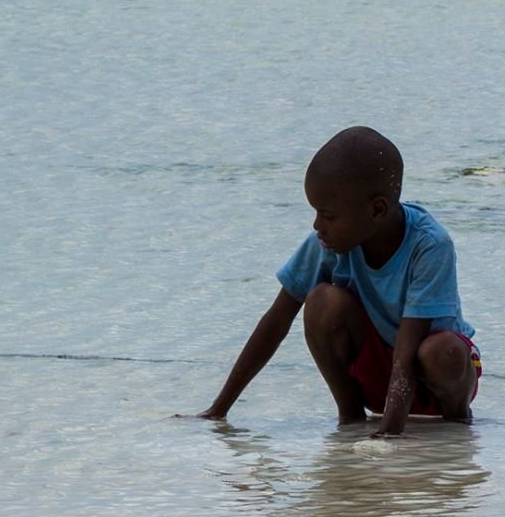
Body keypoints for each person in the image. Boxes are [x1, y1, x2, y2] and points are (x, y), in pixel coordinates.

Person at [200, 127, 480, 435]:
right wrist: (219, 409)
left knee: (441, 352)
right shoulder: (326, 245)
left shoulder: (429, 245)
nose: (317, 225)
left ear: (376, 210)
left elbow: (408, 346)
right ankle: (350, 418)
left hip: (434, 380)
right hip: (381, 377)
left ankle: (457, 425)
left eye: (328, 216)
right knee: (321, 301)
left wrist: (391, 433)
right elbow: (275, 323)